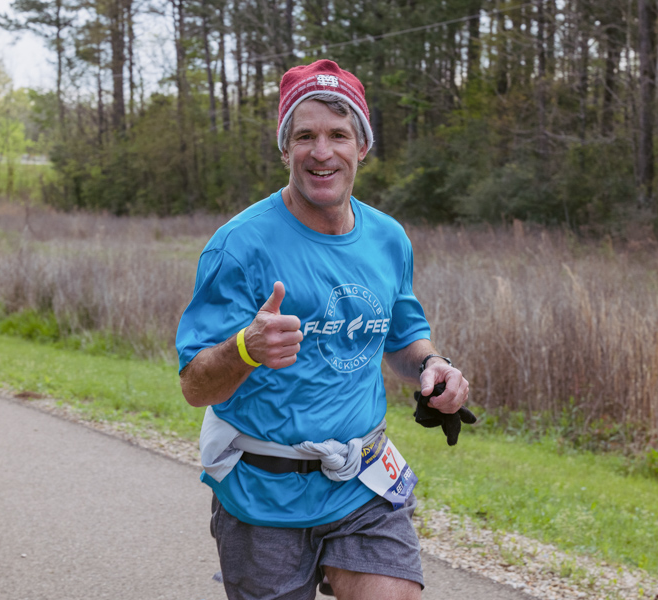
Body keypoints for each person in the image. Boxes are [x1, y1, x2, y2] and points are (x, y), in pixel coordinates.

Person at [176, 59, 469, 600]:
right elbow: (196, 386)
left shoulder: (387, 238)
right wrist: (246, 349)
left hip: (363, 483)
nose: (322, 151)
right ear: (286, 150)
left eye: (339, 134)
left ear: (362, 146)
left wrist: (433, 367)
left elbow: (402, 339)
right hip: (264, 494)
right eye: (305, 135)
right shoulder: (239, 245)